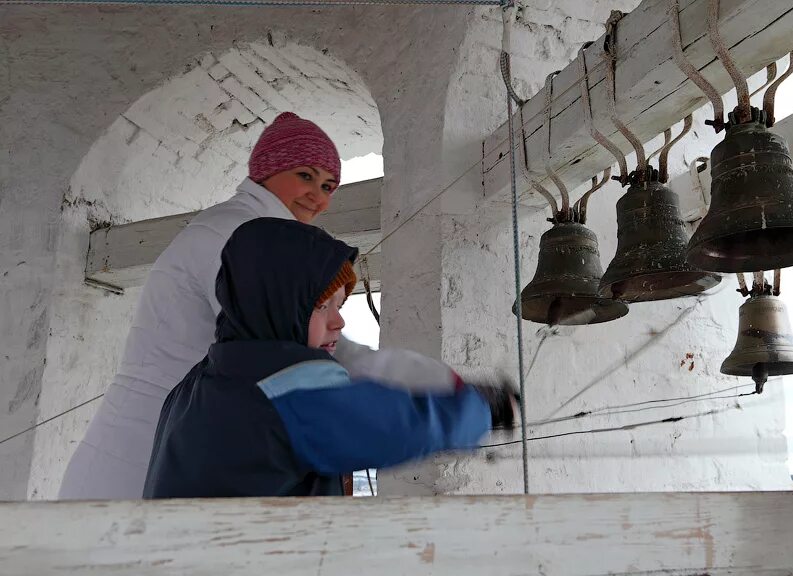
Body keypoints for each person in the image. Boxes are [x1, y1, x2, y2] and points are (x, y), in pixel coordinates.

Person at [60, 112, 455, 499]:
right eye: (305, 175)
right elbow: (293, 351)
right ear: (267, 170)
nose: (317, 195)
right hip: (136, 462)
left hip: (170, 456)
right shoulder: (239, 237)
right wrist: (430, 388)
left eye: (330, 186)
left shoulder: (250, 235)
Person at [143, 218, 517, 498]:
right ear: (276, 304)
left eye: (340, 305)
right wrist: (478, 409)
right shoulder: (286, 389)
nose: (339, 322)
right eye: (322, 306)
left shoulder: (193, 386)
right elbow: (393, 426)